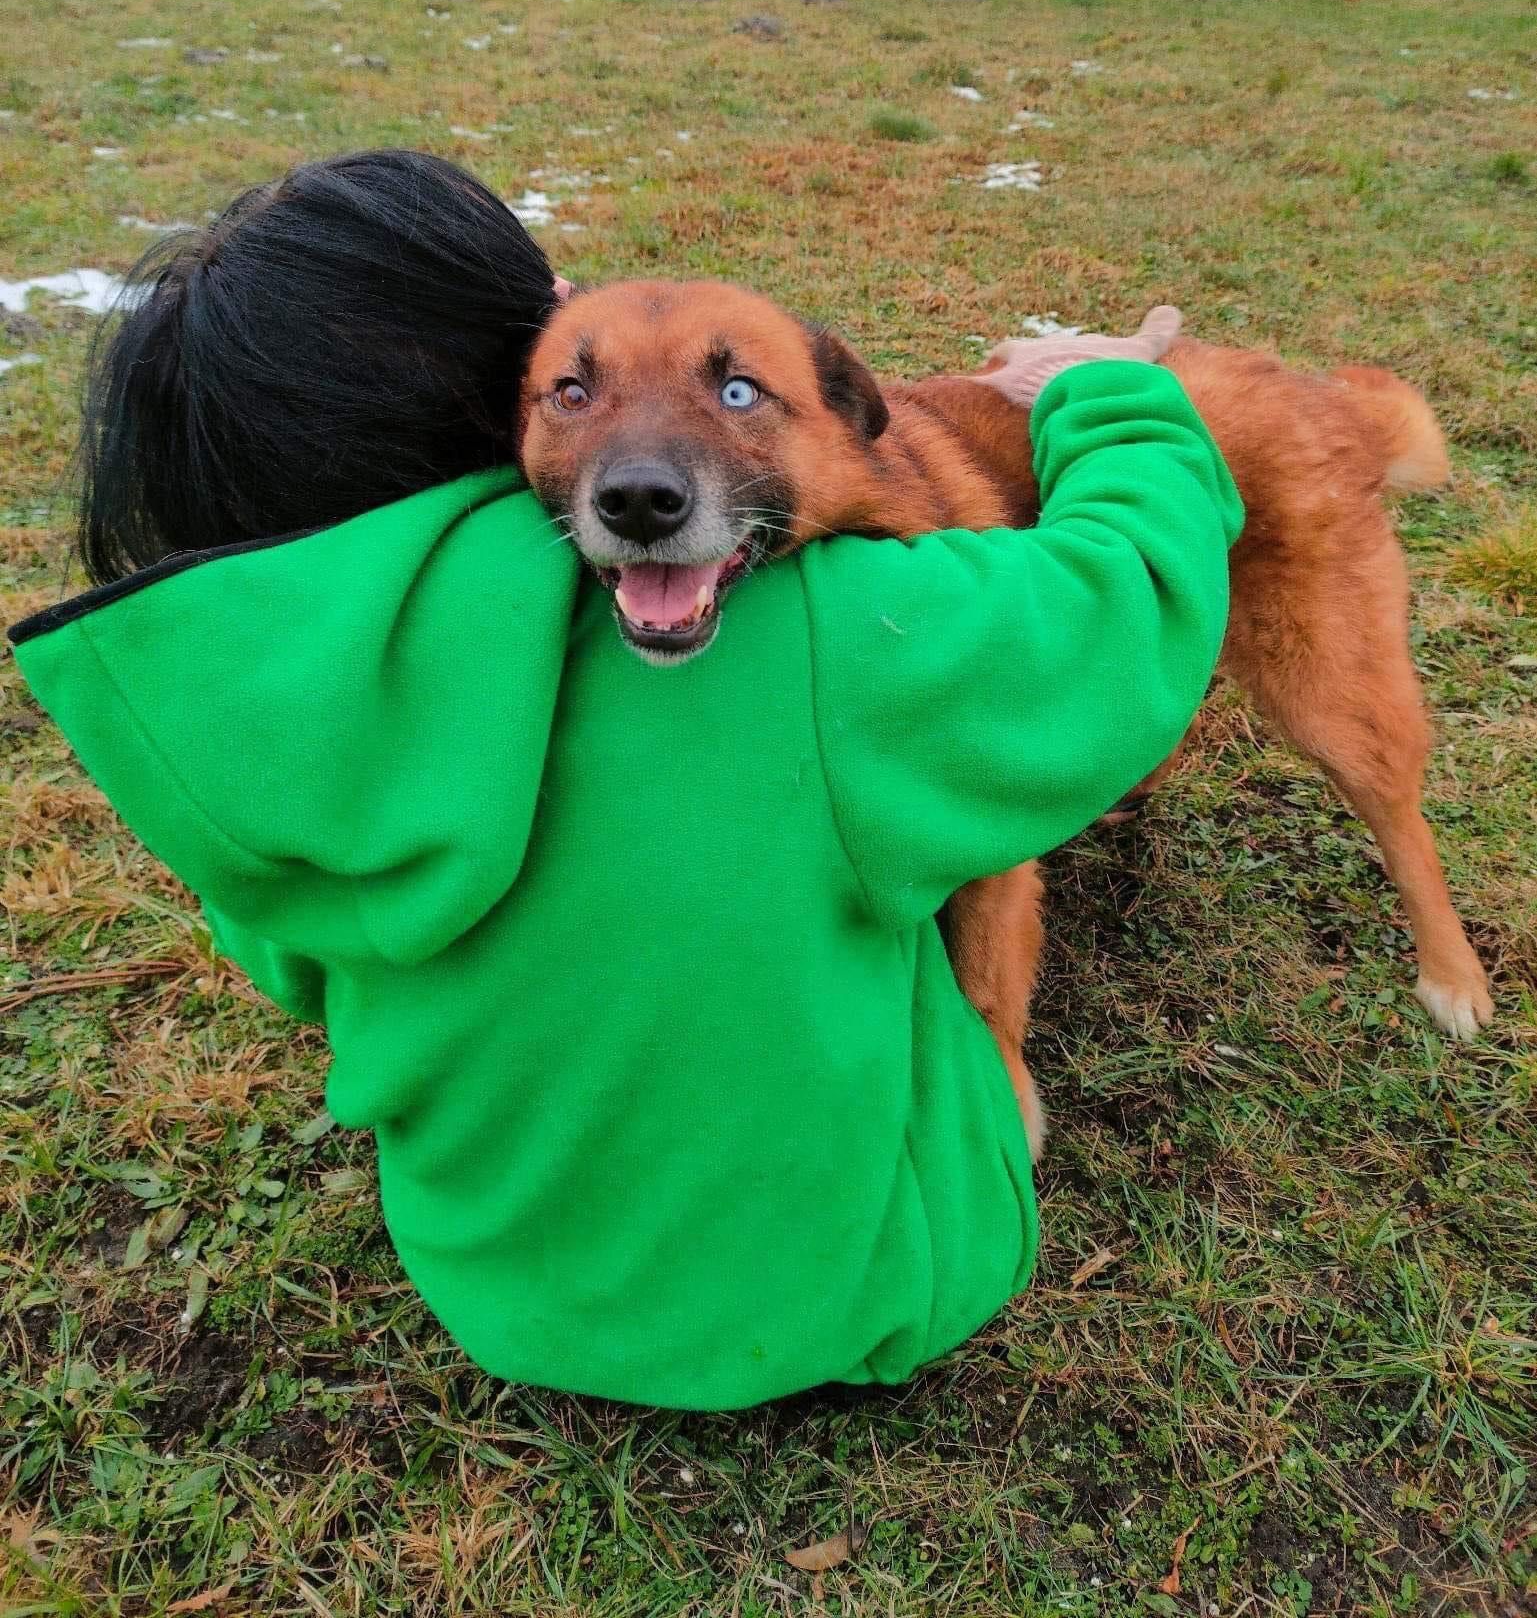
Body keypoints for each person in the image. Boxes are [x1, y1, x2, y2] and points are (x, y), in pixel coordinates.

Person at [9, 149, 1242, 1411]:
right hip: (861, 1287)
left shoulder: (219, 686)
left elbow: (298, 970)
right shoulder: (832, 635)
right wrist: (1106, 398)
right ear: (489, 386)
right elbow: (1128, 605)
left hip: (494, 1287)